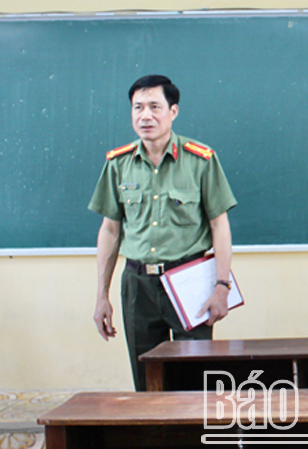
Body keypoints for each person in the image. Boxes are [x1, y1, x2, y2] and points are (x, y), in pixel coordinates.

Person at [89, 75, 237, 391]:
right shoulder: (118, 164)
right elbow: (110, 230)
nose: (145, 115)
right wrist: (102, 294)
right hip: (137, 285)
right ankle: (155, 439)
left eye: (155, 107)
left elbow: (219, 225)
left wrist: (222, 286)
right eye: (138, 107)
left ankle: (194, 441)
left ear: (173, 111)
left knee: (195, 381)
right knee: (147, 382)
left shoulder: (200, 160)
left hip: (189, 282)